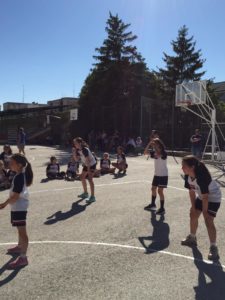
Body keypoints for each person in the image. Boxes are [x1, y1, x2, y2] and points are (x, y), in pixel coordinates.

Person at [181, 155, 221, 261]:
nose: (182, 168)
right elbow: (191, 192)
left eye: (184, 166)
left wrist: (204, 212)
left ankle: (213, 247)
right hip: (202, 196)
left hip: (213, 197)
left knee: (208, 220)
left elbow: (206, 197)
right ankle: (192, 238)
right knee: (192, 214)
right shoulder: (188, 176)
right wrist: (193, 207)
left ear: (192, 167)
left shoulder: (202, 177)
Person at [0, 153, 33, 268]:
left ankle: (23, 257)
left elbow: (15, 196)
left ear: (19, 165)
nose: (9, 164)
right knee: (20, 230)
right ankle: (20, 247)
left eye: (12, 163)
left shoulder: (19, 177)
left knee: (22, 232)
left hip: (19, 207)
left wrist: (4, 203)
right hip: (17, 207)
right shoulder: (19, 174)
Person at [144, 138, 168, 215]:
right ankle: (153, 204)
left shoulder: (164, 153)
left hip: (163, 175)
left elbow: (158, 154)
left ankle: (162, 208)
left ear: (159, 145)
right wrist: (149, 143)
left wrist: (155, 145)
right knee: (153, 188)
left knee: (160, 191)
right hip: (156, 174)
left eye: (156, 144)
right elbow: (145, 152)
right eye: (154, 144)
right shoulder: (154, 152)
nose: (154, 145)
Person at [73, 137, 97, 203]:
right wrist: (74, 153)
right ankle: (86, 193)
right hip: (87, 164)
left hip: (91, 164)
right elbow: (76, 160)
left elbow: (88, 160)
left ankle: (92, 197)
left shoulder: (85, 149)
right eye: (74, 143)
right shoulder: (78, 150)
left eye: (76, 143)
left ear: (80, 143)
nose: (74, 144)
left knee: (90, 179)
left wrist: (88, 171)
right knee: (82, 177)